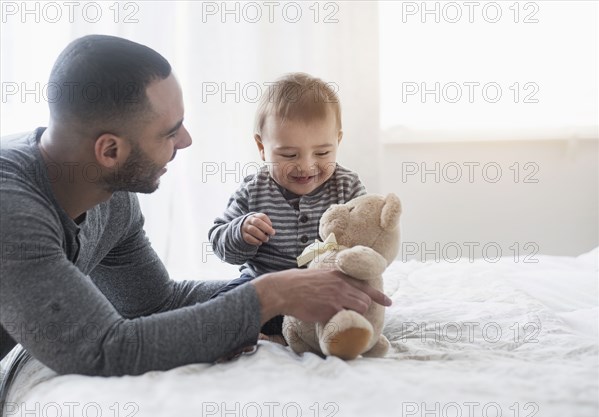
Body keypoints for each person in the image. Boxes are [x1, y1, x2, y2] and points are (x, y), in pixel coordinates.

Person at [0, 35, 391, 377]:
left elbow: (154, 303)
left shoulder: (112, 197)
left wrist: (294, 291)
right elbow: (106, 349)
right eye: (170, 132)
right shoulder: (13, 211)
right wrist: (269, 294)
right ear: (110, 150)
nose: (186, 141)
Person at [208, 73, 366, 336]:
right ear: (261, 147)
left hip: (325, 289)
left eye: (322, 153)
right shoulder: (253, 189)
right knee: (224, 306)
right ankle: (256, 334)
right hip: (266, 288)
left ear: (338, 141)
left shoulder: (347, 187)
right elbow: (220, 242)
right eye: (289, 154)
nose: (306, 166)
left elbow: (368, 238)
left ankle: (329, 335)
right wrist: (241, 232)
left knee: (358, 302)